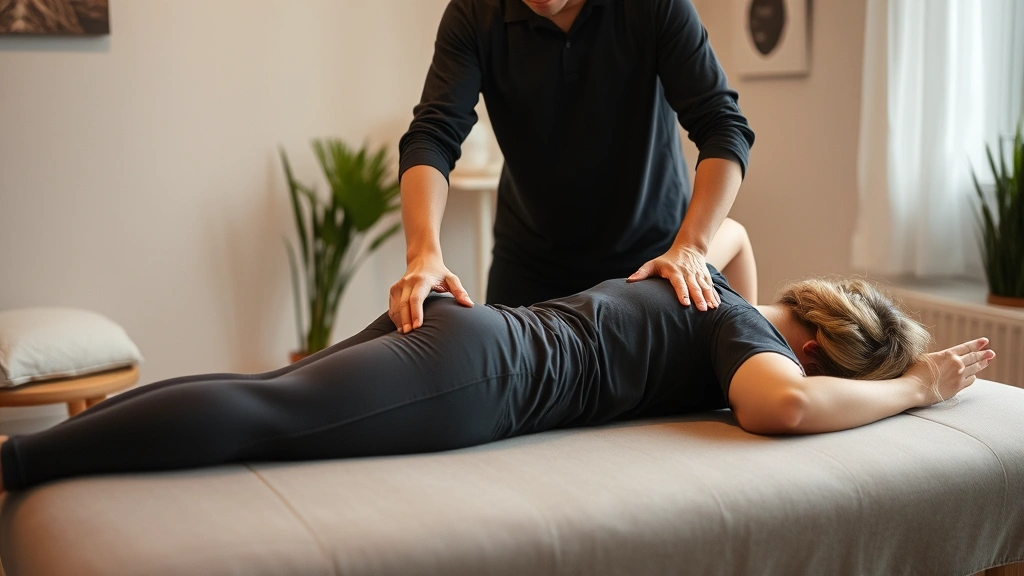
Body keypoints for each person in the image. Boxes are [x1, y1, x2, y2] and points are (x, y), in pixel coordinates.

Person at [0, 220, 995, 493]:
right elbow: (783, 410)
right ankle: (21, 462)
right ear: (817, 347)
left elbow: (728, 242)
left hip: (473, 332)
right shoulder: (740, 332)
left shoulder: (718, 285)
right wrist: (915, 386)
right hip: (479, 378)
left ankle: (27, 457)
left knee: (267, 391)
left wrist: (709, 249)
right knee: (270, 415)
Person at [390, 0, 755, 333]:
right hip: (529, 264)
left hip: (649, 260)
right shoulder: (474, 13)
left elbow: (722, 126)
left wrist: (691, 246)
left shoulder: (655, 7)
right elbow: (433, 135)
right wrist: (422, 253)